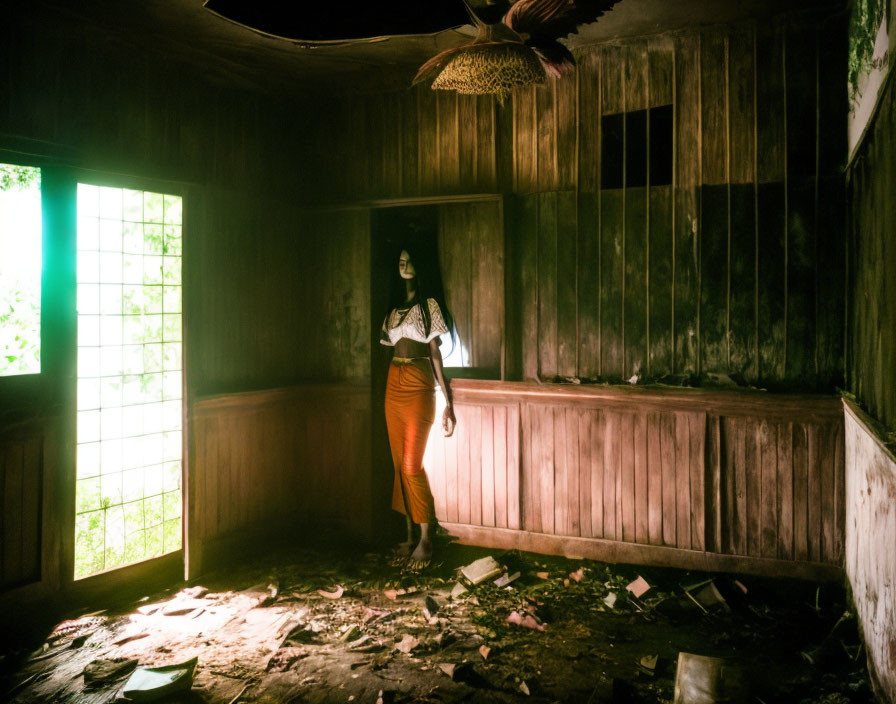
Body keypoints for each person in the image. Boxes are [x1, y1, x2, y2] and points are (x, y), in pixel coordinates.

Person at [380, 244, 457, 571]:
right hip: (393, 382)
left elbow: (436, 355)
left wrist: (448, 401)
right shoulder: (394, 308)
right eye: (401, 260)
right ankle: (408, 536)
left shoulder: (428, 306)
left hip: (418, 382)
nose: (405, 264)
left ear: (420, 265)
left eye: (411, 259)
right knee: (399, 464)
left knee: (412, 465)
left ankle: (427, 538)